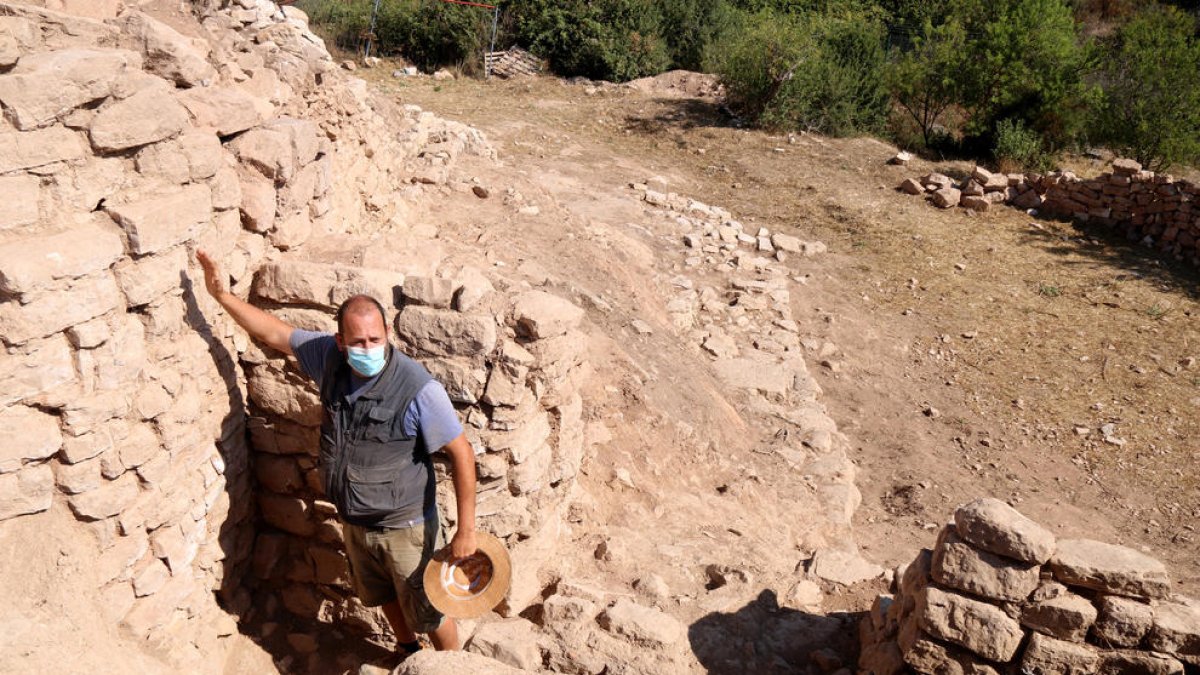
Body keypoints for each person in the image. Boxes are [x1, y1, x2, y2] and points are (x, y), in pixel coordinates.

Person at [195, 250, 478, 657]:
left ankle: (452, 668)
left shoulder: (417, 387)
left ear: (387, 337)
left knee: (430, 608)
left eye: (376, 340)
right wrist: (222, 296)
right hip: (355, 519)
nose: (368, 348)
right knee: (380, 593)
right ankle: (407, 652)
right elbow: (277, 334)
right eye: (358, 341)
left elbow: (462, 453)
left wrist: (466, 530)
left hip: (406, 527)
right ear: (341, 341)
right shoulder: (328, 357)